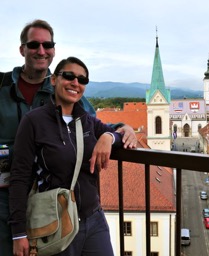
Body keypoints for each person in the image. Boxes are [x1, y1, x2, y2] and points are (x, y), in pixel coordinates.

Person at [0, 19, 137, 256]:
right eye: (34, 44)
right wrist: (19, 232)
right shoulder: (2, 88)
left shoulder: (69, 98)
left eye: (47, 45)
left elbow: (95, 124)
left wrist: (116, 132)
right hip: (7, 199)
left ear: (53, 50)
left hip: (56, 204)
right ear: (22, 49)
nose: (41, 50)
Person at [9, 56, 122, 256]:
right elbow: (19, 177)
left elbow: (118, 135)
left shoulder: (87, 121)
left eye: (82, 80)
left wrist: (107, 136)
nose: (75, 83)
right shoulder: (33, 121)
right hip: (55, 222)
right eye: (68, 76)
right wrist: (18, 233)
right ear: (54, 80)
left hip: (93, 218)